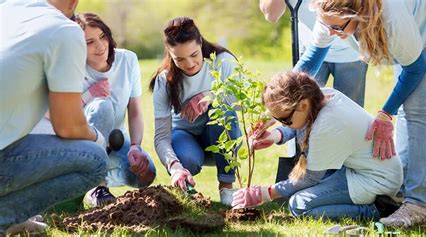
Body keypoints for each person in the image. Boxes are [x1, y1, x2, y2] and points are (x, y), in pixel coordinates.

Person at [292, 0, 426, 227]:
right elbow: (311, 60)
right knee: (408, 104)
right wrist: (279, 101)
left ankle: (416, 205)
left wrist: (386, 113)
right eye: (327, 27)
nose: (331, 33)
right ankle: (397, 196)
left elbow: (415, 70)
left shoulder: (391, 18)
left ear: (357, 15)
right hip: (412, 26)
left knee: (416, 108)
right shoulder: (330, 16)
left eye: (337, 28)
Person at [232, 71, 403, 221]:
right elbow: (301, 124)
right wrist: (275, 136)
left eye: (284, 120)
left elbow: (310, 178)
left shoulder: (325, 125)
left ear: (303, 105)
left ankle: (377, 209)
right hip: (363, 169)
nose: (282, 123)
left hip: (376, 180)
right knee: (303, 195)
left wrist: (264, 193)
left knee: (299, 205)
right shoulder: (322, 97)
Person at [0, 0, 108, 235]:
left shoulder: (6, 8)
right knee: (95, 160)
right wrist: (98, 137)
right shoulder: (64, 30)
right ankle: (5, 217)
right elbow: (68, 126)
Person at [150, 16, 241, 205]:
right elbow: (161, 137)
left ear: (200, 42)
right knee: (187, 160)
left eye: (194, 55)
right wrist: (174, 167)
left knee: (223, 111)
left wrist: (211, 95)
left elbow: (243, 103)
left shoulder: (222, 61)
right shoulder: (164, 79)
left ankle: (226, 188)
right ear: (169, 53)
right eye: (180, 59)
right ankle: (187, 190)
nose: (190, 64)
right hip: (185, 136)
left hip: (221, 137)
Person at [75, 12, 156, 208]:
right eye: (90, 42)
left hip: (116, 142)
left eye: (103, 37)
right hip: (83, 146)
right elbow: (61, 112)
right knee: (102, 106)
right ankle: (96, 184)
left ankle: (90, 181)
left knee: (146, 175)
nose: (100, 46)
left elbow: (135, 110)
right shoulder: (73, 68)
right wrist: (90, 94)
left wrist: (136, 147)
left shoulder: (128, 60)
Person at [259, 0, 368, 107]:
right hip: (313, 45)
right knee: (303, 107)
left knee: (349, 110)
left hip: (353, 52)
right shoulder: (325, 30)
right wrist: (278, 106)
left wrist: (385, 114)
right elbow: (271, 15)